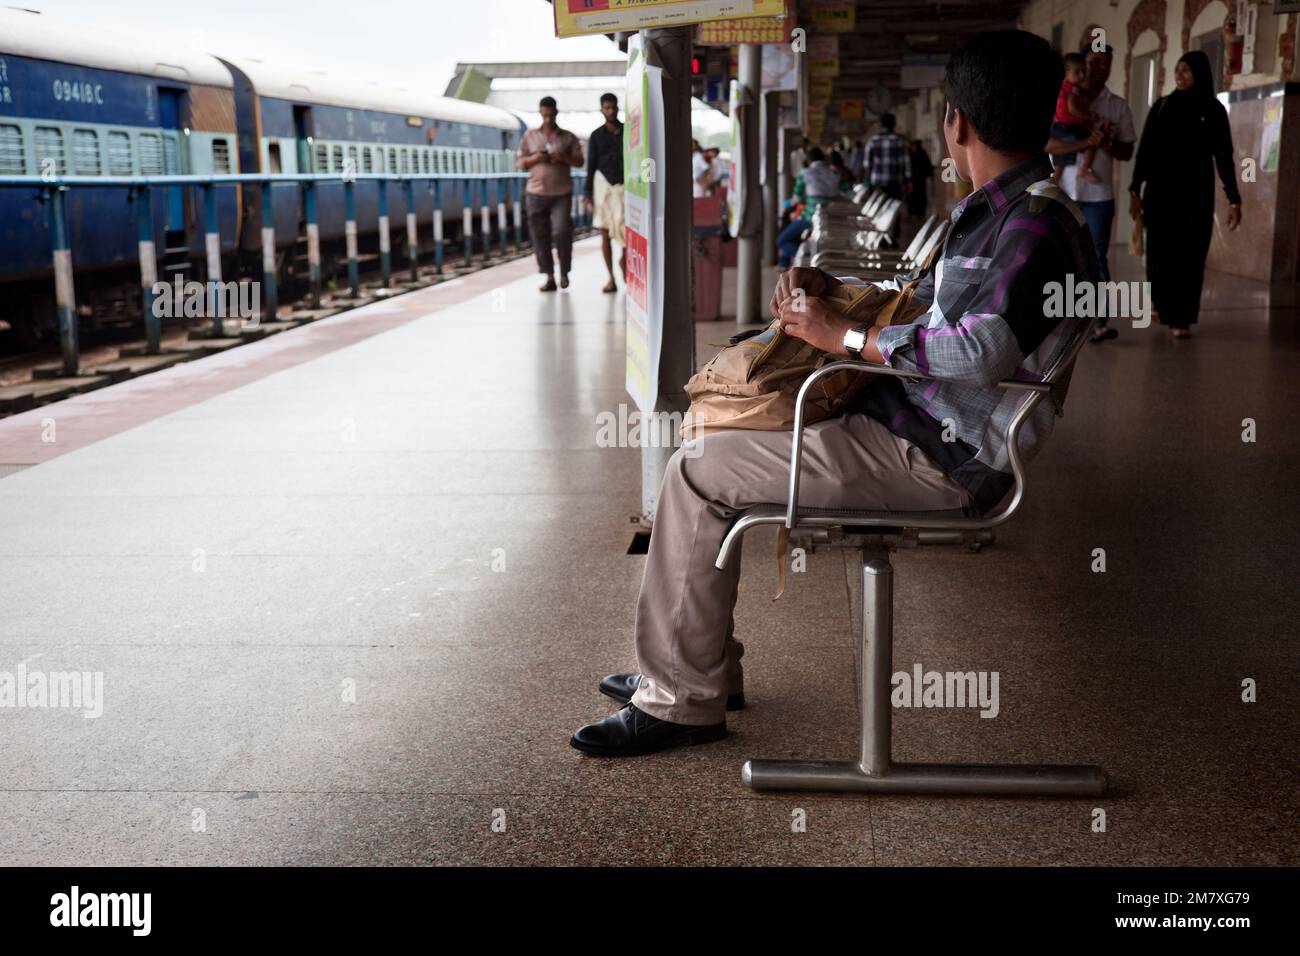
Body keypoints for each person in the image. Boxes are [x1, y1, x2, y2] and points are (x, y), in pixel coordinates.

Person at [570, 29, 1098, 757]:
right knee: (707, 445)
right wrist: (837, 297)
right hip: (908, 423)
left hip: (939, 458)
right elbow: (932, 313)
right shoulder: (1009, 212)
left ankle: (683, 699)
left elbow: (977, 352)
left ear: (958, 124)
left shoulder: (1030, 227)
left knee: (695, 474)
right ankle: (697, 668)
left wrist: (840, 340)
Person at [1129, 51, 1242, 339]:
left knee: (1190, 256)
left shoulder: (1214, 110)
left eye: (1187, 71)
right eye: (1178, 70)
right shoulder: (1162, 107)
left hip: (1196, 195)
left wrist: (1234, 198)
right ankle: (1163, 305)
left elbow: (1224, 156)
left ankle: (1182, 317)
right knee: (1159, 254)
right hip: (1160, 195)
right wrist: (1134, 188)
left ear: (1200, 74)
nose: (1180, 75)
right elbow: (1146, 150)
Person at [1047, 45, 1136, 343]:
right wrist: (1087, 140)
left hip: (1098, 195)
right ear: (1081, 65)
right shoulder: (1059, 99)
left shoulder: (1117, 105)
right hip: (1062, 193)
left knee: (1096, 258)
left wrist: (1104, 140)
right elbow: (1048, 145)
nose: (1100, 69)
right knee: (1061, 258)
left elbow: (1126, 150)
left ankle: (1098, 323)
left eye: (1107, 64)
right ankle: (1067, 322)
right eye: (1095, 62)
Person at [517, 95, 584, 292]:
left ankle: (564, 272)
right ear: (540, 113)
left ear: (556, 113)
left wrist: (562, 158)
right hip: (535, 193)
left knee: (562, 231)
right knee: (540, 236)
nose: (547, 119)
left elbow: (580, 161)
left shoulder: (568, 137)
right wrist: (536, 158)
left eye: (551, 115)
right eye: (544, 115)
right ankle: (549, 276)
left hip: (561, 193)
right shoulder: (529, 136)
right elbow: (520, 163)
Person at [584, 92, 625, 294]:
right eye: (606, 108)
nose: (610, 111)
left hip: (625, 188)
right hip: (603, 188)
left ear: (617, 108)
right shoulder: (596, 136)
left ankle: (625, 262)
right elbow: (590, 167)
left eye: (613, 107)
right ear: (602, 110)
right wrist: (587, 194)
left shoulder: (627, 132)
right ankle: (611, 278)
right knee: (605, 232)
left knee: (626, 229)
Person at [775, 147, 841, 268]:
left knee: (782, 240)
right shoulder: (834, 173)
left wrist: (788, 204)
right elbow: (846, 191)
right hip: (830, 219)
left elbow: (797, 198)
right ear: (823, 158)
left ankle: (806, 258)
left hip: (810, 218)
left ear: (809, 160)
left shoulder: (805, 173)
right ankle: (791, 261)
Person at [1050, 53, 1103, 185]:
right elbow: (1073, 109)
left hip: (1058, 125)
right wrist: (1090, 115)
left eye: (1084, 71)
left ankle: (1054, 182)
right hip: (1069, 125)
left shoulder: (1062, 86)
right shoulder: (1073, 88)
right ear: (1066, 72)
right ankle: (1085, 168)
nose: (1081, 75)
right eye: (1077, 72)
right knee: (1093, 141)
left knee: (1060, 161)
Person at [864, 113, 911, 200]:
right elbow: (906, 162)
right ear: (894, 124)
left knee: (877, 209)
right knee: (892, 210)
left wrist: (868, 180)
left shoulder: (873, 140)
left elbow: (867, 164)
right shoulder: (900, 141)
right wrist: (907, 180)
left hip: (877, 181)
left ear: (881, 125)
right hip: (895, 182)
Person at [906, 139, 934, 218]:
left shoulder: (922, 154)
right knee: (911, 197)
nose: (912, 148)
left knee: (921, 197)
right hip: (912, 181)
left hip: (920, 180)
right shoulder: (909, 155)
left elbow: (927, 166)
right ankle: (912, 213)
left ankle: (920, 213)